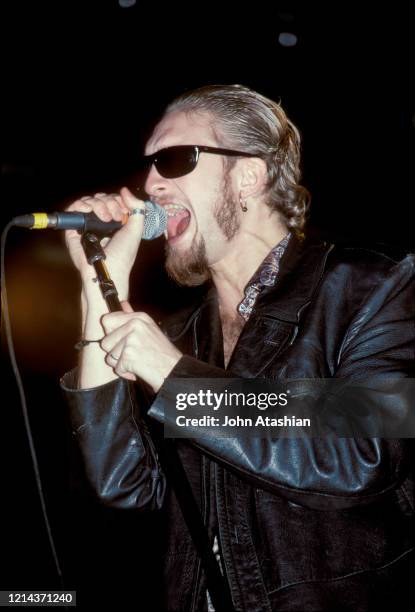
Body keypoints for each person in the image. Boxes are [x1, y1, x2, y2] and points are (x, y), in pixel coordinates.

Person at [61, 84, 415, 611]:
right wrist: (99, 284)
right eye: (149, 165)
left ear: (249, 174)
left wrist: (177, 377)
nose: (151, 183)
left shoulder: (371, 285)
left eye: (174, 159)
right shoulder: (183, 333)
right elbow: (127, 484)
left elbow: (360, 448)